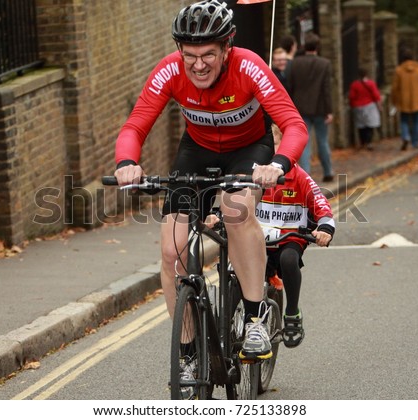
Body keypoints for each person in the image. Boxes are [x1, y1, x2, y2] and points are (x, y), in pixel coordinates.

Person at [113, 0, 308, 368]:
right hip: (198, 149)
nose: (198, 64)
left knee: (236, 213)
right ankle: (187, 353)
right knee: (172, 253)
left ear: (226, 49)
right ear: (179, 51)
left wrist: (279, 164)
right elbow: (135, 125)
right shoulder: (170, 71)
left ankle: (254, 320)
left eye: (207, 55)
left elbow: (294, 125)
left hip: (250, 148)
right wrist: (126, 163)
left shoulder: (250, 66)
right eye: (190, 55)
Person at [258, 125, 334, 347]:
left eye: (275, 142)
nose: (270, 149)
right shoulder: (251, 174)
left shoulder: (299, 176)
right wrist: (216, 215)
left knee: (288, 260)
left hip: (288, 239)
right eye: (266, 144)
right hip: (255, 240)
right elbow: (230, 200)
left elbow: (322, 207)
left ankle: (291, 314)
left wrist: (325, 229)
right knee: (237, 269)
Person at [287, 32, 335, 183]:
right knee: (322, 141)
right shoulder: (324, 63)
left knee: (304, 144)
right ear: (317, 47)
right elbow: (326, 89)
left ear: (304, 46)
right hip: (320, 108)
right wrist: (329, 110)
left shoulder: (294, 63)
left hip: (300, 108)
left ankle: (306, 176)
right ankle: (328, 171)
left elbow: (290, 86)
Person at [391, 48, 418, 150]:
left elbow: (395, 88)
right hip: (417, 100)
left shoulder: (399, 71)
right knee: (417, 121)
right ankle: (415, 142)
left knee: (404, 120)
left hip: (404, 100)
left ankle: (405, 136)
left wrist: (394, 101)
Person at [348, 68, 382, 150]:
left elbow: (351, 96)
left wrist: (352, 105)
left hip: (358, 107)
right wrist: (379, 106)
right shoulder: (371, 83)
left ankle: (362, 142)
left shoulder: (354, 85)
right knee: (370, 125)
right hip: (370, 106)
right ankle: (369, 142)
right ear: (367, 74)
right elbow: (376, 95)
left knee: (361, 125)